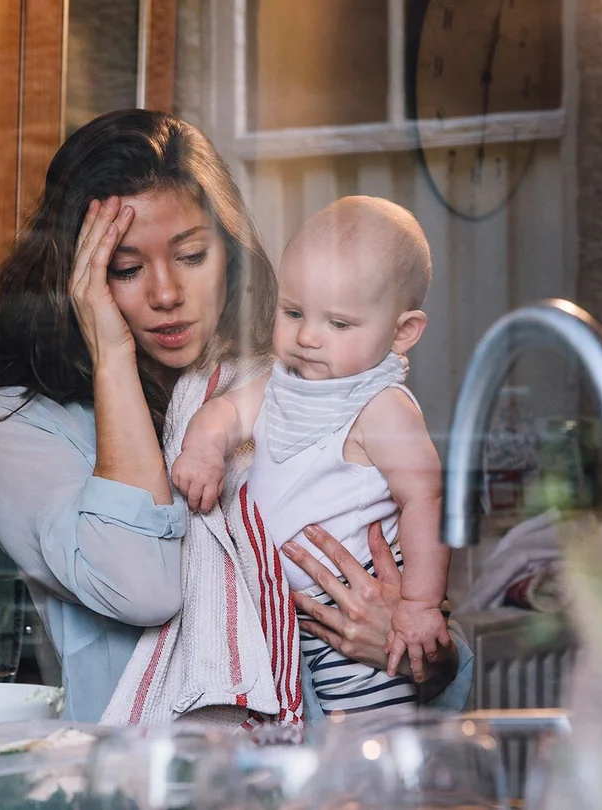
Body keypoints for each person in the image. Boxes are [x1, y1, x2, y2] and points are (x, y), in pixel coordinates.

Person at [0, 109, 471, 727]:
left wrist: (420, 652)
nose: (166, 294)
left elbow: (433, 642)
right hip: (142, 770)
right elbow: (142, 587)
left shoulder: (291, 387)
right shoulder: (19, 426)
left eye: (192, 255)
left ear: (229, 256)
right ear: (77, 278)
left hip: (319, 758)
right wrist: (112, 354)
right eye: (125, 269)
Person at [171, 196, 450, 716]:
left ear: (402, 332)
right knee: (301, 739)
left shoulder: (380, 406)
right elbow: (225, 412)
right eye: (293, 312)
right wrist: (204, 448)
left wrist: (418, 604)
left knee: (367, 739)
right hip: (288, 619)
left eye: (338, 324)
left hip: (355, 613)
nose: (306, 337)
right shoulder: (281, 384)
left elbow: (427, 500)